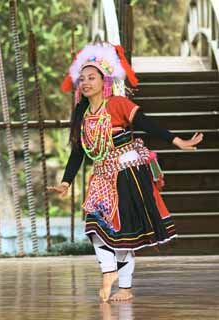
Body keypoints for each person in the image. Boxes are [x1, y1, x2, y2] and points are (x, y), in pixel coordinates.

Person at [48, 42, 203, 302]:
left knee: (124, 236)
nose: (85, 82)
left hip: (128, 173)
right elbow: (78, 153)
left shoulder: (118, 103)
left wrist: (178, 140)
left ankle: (126, 288)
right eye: (82, 78)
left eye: (91, 77)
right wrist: (66, 182)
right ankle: (109, 273)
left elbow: (147, 124)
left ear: (103, 80)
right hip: (101, 176)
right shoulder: (82, 115)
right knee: (95, 228)